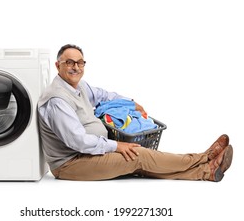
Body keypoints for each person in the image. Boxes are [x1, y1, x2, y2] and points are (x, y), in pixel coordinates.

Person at [37, 44, 233, 182]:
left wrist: (130, 104)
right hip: (71, 163)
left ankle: (206, 172)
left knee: (141, 163)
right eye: (70, 62)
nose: (76, 67)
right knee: (138, 156)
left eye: (80, 63)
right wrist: (116, 146)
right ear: (58, 65)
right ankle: (203, 157)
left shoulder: (79, 86)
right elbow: (77, 141)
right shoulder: (57, 100)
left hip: (88, 154)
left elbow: (104, 96)